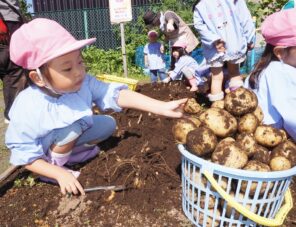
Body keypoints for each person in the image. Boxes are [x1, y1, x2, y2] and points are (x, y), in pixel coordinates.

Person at [5, 18, 187, 196]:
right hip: (43, 152)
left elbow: (115, 94)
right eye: (67, 69)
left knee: (108, 124)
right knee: (74, 127)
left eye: (79, 61)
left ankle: (71, 154)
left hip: (67, 135)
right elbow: (24, 153)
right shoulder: (27, 105)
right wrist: (58, 174)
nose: (78, 72)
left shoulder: (83, 83)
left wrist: (161, 107)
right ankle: (55, 168)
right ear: (38, 78)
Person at [245, 9, 296, 141]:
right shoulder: (280, 72)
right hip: (272, 143)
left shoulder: (262, 69)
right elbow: (293, 120)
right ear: (280, 52)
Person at [193, 0, 255, 101]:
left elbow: (199, 26)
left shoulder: (200, 5)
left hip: (213, 47)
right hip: (233, 41)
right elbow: (245, 18)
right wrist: (250, 38)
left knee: (216, 77)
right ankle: (239, 103)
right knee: (234, 73)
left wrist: (214, 39)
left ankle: (217, 107)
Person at [0, 0, 27, 123]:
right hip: (7, 19)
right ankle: (12, 114)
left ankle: (12, 113)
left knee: (10, 71)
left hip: (7, 19)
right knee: (14, 69)